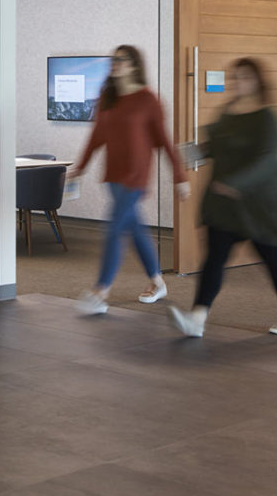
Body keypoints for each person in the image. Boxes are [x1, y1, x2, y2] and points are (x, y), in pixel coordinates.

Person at [169, 56, 277, 338]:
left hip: (259, 205)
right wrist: (188, 152)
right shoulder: (228, 112)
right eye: (235, 78)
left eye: (244, 78)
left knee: (271, 258)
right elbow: (215, 147)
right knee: (215, 258)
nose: (238, 83)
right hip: (226, 206)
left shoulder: (267, 117)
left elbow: (267, 161)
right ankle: (197, 317)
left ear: (257, 82)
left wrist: (237, 183)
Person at [67, 45, 189, 315]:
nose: (116, 64)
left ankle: (101, 290)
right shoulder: (107, 97)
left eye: (122, 60)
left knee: (115, 228)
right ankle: (157, 282)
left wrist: (179, 176)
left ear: (134, 65)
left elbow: (165, 142)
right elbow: (97, 136)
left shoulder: (148, 100)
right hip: (113, 175)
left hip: (136, 176)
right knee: (134, 228)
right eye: (114, 59)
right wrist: (81, 167)